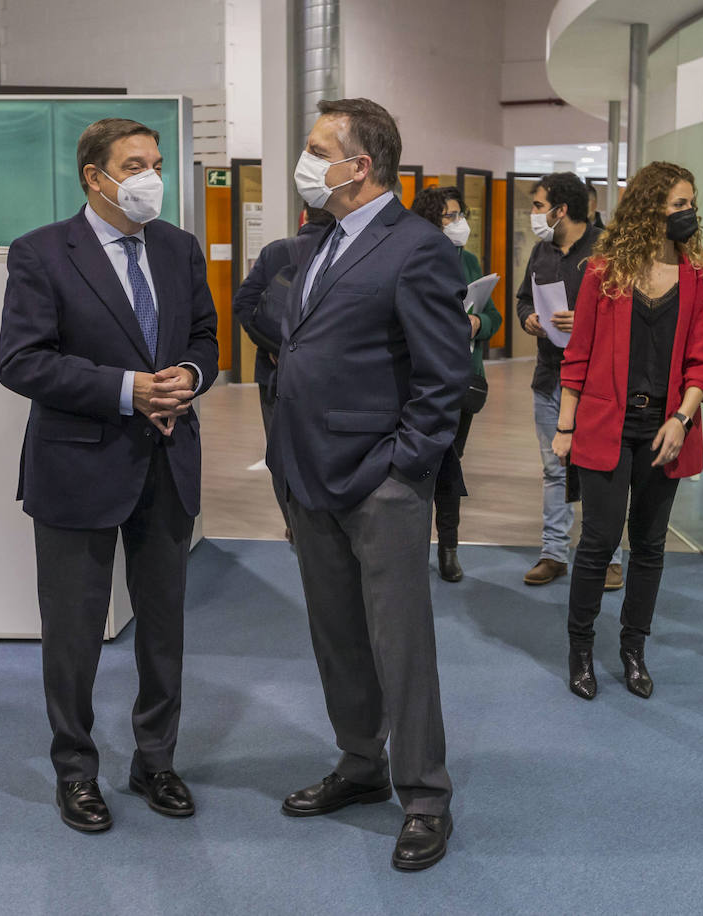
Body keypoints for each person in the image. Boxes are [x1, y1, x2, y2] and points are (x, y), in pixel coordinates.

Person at [0, 117, 219, 833]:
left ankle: (156, 759)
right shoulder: (41, 254)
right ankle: (76, 771)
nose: (151, 176)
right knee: (74, 632)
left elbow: (206, 338)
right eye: (135, 164)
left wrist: (187, 376)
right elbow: (22, 361)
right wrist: (129, 389)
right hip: (78, 465)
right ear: (95, 177)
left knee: (163, 630)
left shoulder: (179, 248)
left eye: (155, 162)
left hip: (167, 462)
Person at [268, 98, 468, 871]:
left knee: (401, 644)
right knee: (338, 637)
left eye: (320, 150)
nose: (307, 161)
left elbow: (444, 373)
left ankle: (425, 795)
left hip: (378, 482)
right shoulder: (319, 239)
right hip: (308, 476)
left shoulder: (416, 248)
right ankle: (359, 765)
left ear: (361, 166)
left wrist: (403, 469)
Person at [552, 161, 703, 701]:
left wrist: (682, 417)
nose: (687, 213)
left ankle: (633, 648)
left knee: (649, 545)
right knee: (599, 540)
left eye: (690, 202)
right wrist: (564, 426)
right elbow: (576, 358)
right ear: (650, 209)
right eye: (676, 203)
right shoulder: (605, 275)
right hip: (606, 425)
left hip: (666, 428)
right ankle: (580, 648)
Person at [515, 172, 623, 588]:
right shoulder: (542, 252)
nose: (534, 214)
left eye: (540, 206)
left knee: (599, 470)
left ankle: (609, 557)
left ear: (562, 210)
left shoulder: (607, 251)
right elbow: (525, 296)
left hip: (597, 382)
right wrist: (529, 318)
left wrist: (586, 320)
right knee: (554, 468)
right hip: (549, 377)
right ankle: (553, 553)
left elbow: (626, 310)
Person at [409, 185, 503, 582]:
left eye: (460, 213)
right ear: (431, 220)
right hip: (421, 381)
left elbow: (493, 316)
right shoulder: (413, 258)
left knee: (450, 466)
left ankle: (449, 548)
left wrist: (478, 322)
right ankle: (410, 549)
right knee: (417, 468)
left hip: (462, 381)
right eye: (450, 216)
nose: (458, 222)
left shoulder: (467, 261)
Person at [233, 205, 336, 540]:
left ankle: (294, 524)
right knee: (326, 448)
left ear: (303, 216)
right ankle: (327, 521)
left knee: (281, 452)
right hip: (328, 377)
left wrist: (276, 347)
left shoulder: (276, 251)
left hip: (274, 376)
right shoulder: (345, 251)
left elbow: (243, 304)